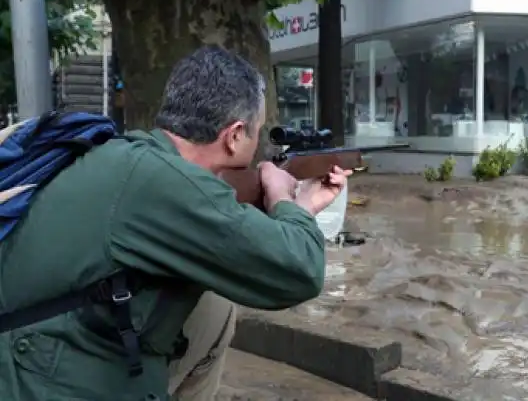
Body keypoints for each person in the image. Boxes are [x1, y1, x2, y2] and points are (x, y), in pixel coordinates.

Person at [0, 45, 351, 401]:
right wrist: (292, 205)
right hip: (36, 378)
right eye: (257, 131)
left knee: (213, 309)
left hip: (34, 350)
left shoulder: (126, 156)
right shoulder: (164, 183)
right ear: (234, 135)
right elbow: (299, 270)